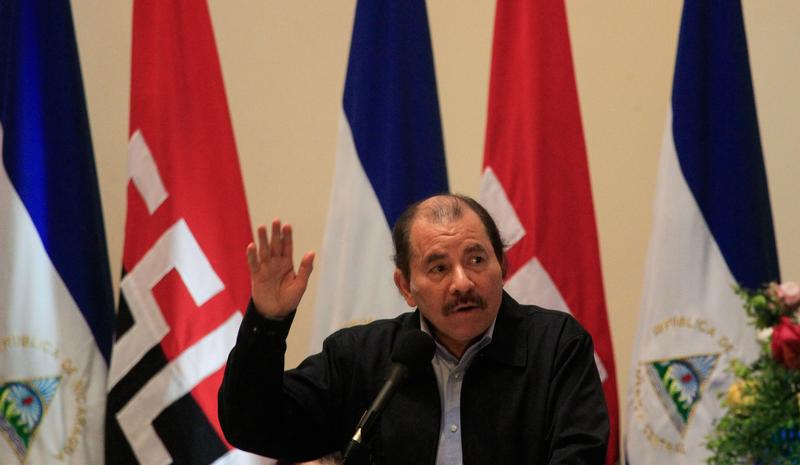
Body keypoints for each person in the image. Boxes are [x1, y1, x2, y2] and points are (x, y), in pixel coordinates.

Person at [218, 194, 609, 464]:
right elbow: (253, 426)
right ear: (406, 287)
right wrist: (266, 324)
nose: (462, 283)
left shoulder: (556, 346)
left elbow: (580, 456)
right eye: (439, 268)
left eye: (476, 259)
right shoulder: (361, 358)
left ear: (501, 267)